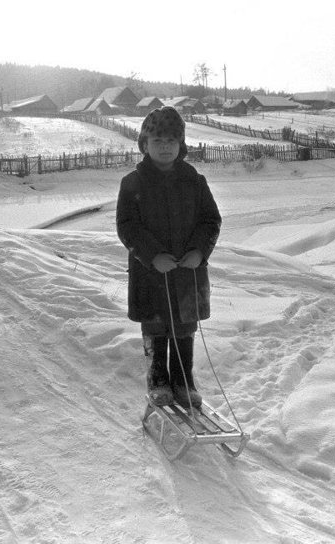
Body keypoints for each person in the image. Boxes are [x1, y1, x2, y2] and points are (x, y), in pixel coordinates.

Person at [116, 107, 221, 409]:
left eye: (171, 141)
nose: (165, 147)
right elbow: (127, 227)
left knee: (185, 328)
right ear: (145, 144)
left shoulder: (195, 181)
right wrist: (152, 256)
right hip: (150, 274)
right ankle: (158, 379)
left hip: (188, 273)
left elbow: (211, 221)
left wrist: (199, 252)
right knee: (157, 326)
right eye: (158, 140)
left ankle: (183, 380)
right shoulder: (133, 183)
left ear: (181, 145)